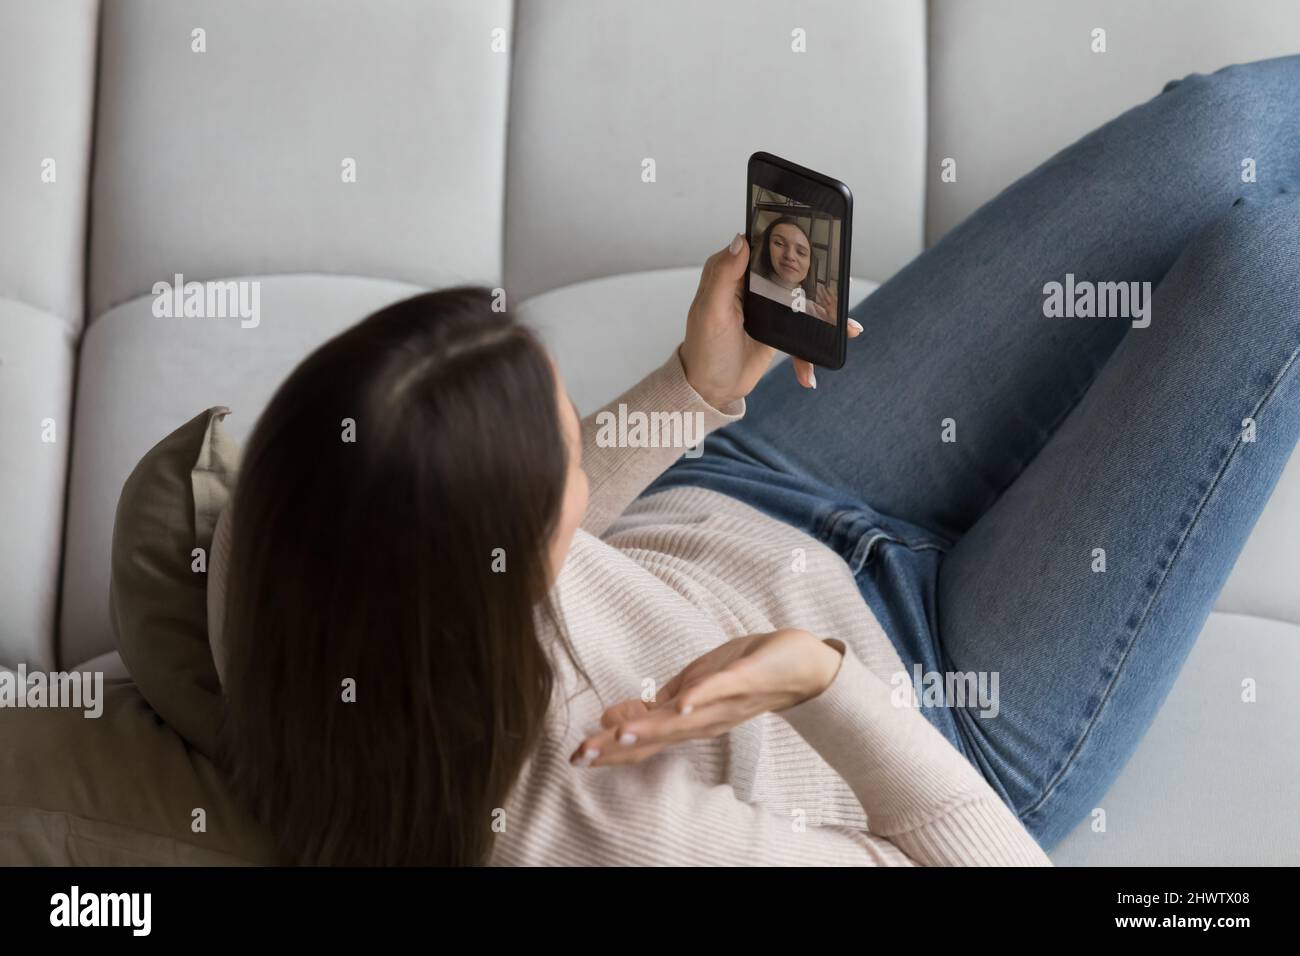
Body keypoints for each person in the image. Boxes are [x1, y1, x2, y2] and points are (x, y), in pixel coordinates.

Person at [211, 56, 1300, 865]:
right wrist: (817, 680)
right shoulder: (608, 823)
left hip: (758, 486)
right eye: (562, 466)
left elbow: (533, 521)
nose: (580, 457)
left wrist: (699, 383)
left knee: (1223, 128)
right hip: (946, 707)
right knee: (1271, 269)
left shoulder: (300, 536)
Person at [750, 215, 838, 323]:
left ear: (809, 265)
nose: (790, 256)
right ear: (765, 248)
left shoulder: (815, 311)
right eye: (779, 243)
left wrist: (833, 326)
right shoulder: (748, 282)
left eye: (801, 252)